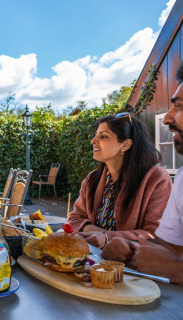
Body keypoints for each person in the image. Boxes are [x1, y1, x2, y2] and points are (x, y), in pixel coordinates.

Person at [102, 63, 183, 284]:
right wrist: (132, 248)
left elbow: (163, 248)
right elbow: (168, 247)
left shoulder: (155, 178)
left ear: (125, 145)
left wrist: (177, 271)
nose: (167, 118)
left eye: (180, 107)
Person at [68, 111, 172, 249]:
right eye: (96, 135)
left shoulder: (156, 179)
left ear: (125, 145)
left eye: (103, 136)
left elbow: (155, 234)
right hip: (91, 261)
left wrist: (106, 238)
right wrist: (99, 233)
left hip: (132, 265)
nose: (93, 140)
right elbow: (74, 220)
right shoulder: (92, 179)